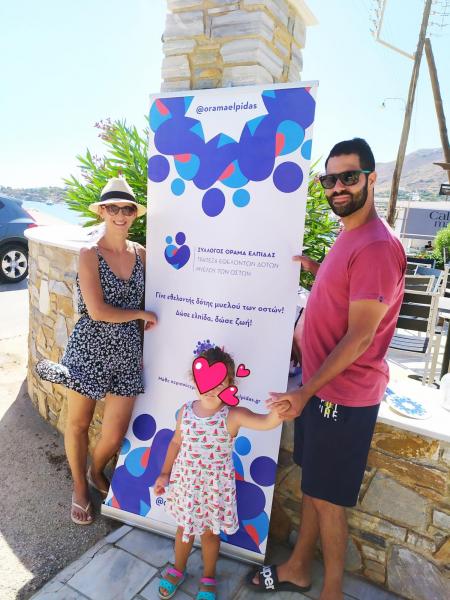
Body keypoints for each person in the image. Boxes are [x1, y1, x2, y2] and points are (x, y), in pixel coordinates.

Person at [248, 138, 406, 599]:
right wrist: (321, 272)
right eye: (330, 179)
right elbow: (352, 291)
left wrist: (304, 391)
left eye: (349, 177)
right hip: (323, 392)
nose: (338, 187)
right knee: (315, 489)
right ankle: (299, 566)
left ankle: (332, 591)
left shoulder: (376, 245)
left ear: (372, 179)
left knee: (329, 501)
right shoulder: (352, 234)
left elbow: (360, 337)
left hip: (341, 395)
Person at [36, 175, 157, 525]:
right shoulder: (89, 254)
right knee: (78, 423)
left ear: (134, 214)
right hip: (89, 349)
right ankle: (79, 487)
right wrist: (139, 314)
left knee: (115, 432)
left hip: (126, 354)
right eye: (113, 208)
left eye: (127, 209)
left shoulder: (142, 254)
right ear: (102, 211)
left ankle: (95, 470)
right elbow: (98, 310)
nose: (120, 214)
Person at [153, 346, 282, 600]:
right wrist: (164, 473)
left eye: (219, 383)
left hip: (213, 489)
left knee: (210, 534)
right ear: (194, 379)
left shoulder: (232, 415)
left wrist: (280, 410)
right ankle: (178, 569)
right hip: (186, 484)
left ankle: (208, 577)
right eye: (205, 380)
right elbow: (176, 442)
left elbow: (266, 422)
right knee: (184, 529)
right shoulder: (186, 410)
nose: (211, 388)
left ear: (230, 385)